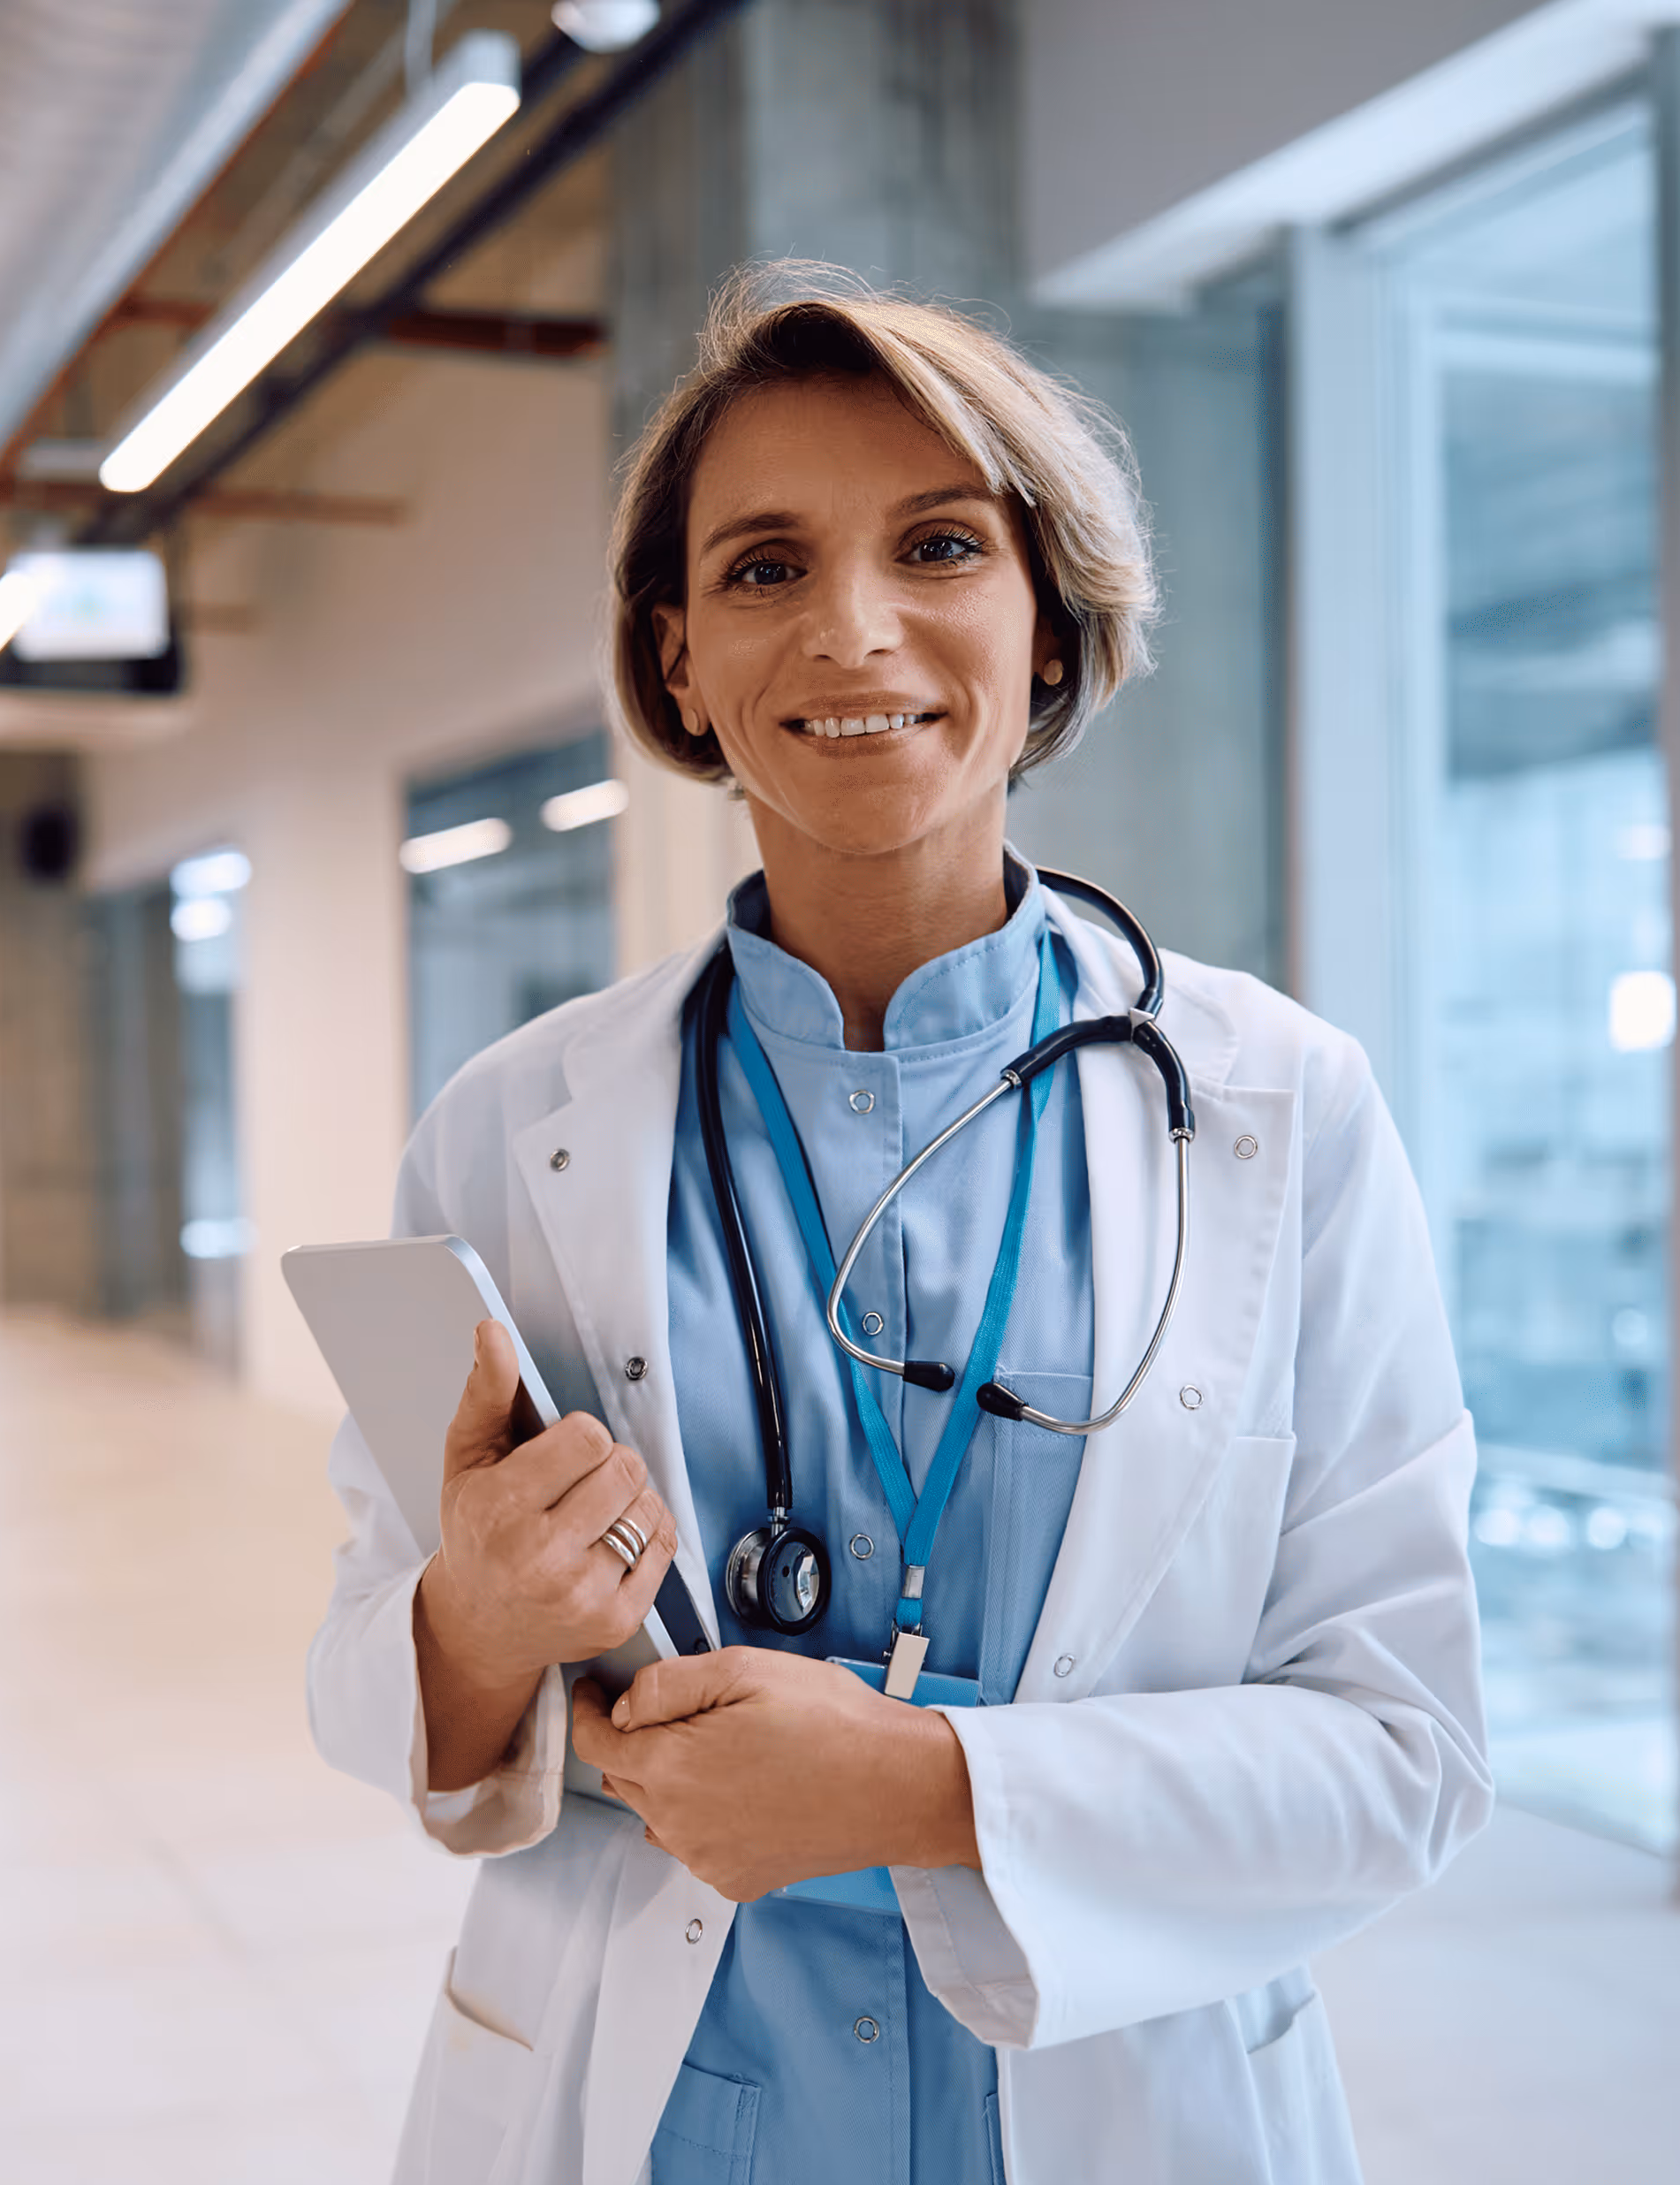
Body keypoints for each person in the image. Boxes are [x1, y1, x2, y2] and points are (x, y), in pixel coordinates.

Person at [308, 264, 1492, 2185]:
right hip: (668, 2097)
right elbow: (376, 1671)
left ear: (1044, 631)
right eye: (762, 568)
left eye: (937, 545)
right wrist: (475, 1626)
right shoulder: (509, 1127)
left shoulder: (1285, 1112)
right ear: (676, 659)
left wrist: (927, 1791)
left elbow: (1401, 1752)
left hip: (1111, 2091)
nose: (850, 629)